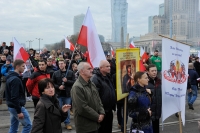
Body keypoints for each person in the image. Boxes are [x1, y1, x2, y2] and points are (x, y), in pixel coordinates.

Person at [71, 62, 105, 133]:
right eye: (89, 69)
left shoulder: (91, 84)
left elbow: (98, 99)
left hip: (95, 124)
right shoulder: (77, 87)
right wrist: (97, 116)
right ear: (82, 71)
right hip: (85, 127)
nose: (92, 70)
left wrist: (102, 112)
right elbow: (82, 108)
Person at [5, 59, 32, 133]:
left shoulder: (10, 76)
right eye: (23, 66)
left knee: (14, 126)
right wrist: (19, 111)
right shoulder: (15, 79)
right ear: (17, 67)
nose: (24, 68)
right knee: (28, 125)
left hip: (11, 106)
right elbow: (14, 96)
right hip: (16, 106)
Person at [91, 60, 116, 133]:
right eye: (107, 66)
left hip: (109, 110)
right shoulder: (95, 78)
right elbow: (95, 96)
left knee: (108, 129)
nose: (109, 68)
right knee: (102, 130)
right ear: (101, 68)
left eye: (109, 66)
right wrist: (100, 111)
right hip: (102, 111)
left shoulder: (108, 76)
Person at [52, 59, 75, 130]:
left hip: (67, 94)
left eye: (62, 63)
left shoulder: (70, 72)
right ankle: (58, 122)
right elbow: (52, 83)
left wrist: (67, 81)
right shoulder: (55, 73)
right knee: (59, 109)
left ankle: (67, 123)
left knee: (67, 109)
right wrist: (58, 87)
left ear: (65, 64)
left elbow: (74, 82)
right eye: (59, 64)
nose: (60, 65)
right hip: (59, 94)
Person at [146, 64, 162, 133]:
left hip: (157, 110)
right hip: (149, 111)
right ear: (148, 72)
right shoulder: (145, 82)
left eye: (155, 70)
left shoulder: (159, 81)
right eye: (152, 71)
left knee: (156, 129)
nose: (154, 72)